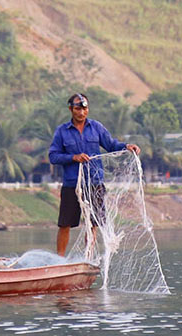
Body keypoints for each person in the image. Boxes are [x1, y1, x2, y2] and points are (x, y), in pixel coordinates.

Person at [49, 93, 140, 256]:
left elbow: (111, 145)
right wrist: (73, 157)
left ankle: (88, 256)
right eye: (77, 108)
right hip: (72, 184)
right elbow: (53, 156)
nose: (81, 112)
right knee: (64, 224)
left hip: (95, 182)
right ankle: (59, 260)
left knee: (93, 223)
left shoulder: (96, 127)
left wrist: (127, 146)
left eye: (84, 109)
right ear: (71, 109)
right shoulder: (62, 131)